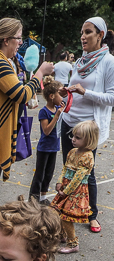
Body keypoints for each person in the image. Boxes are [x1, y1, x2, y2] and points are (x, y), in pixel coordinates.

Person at [0, 18, 54, 241]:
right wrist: (40, 74)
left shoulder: (0, 60)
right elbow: (21, 95)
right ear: (6, 40)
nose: (20, 43)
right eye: (18, 38)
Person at [58, 16, 114, 234]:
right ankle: (69, 212)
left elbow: (111, 97)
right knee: (68, 171)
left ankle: (92, 215)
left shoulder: (108, 61)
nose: (83, 37)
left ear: (100, 35)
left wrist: (84, 91)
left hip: (89, 128)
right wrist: (65, 94)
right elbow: (74, 92)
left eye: (88, 32)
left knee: (86, 173)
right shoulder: (79, 62)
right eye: (82, 32)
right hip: (68, 122)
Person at [51, 120, 99, 253]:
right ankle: (63, 235)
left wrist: (66, 191)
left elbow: (78, 178)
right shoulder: (72, 152)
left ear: (89, 140)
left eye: (77, 138)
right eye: (73, 136)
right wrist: (60, 181)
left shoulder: (88, 156)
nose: (73, 139)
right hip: (66, 188)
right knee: (56, 211)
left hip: (76, 191)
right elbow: (65, 168)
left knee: (66, 217)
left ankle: (73, 244)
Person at [29, 76, 65, 203]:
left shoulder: (57, 109)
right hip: (44, 148)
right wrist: (57, 115)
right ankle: (33, 199)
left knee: (49, 174)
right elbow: (46, 131)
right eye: (60, 95)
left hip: (54, 147)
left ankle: (43, 198)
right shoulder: (44, 112)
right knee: (40, 174)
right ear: (51, 96)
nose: (62, 98)